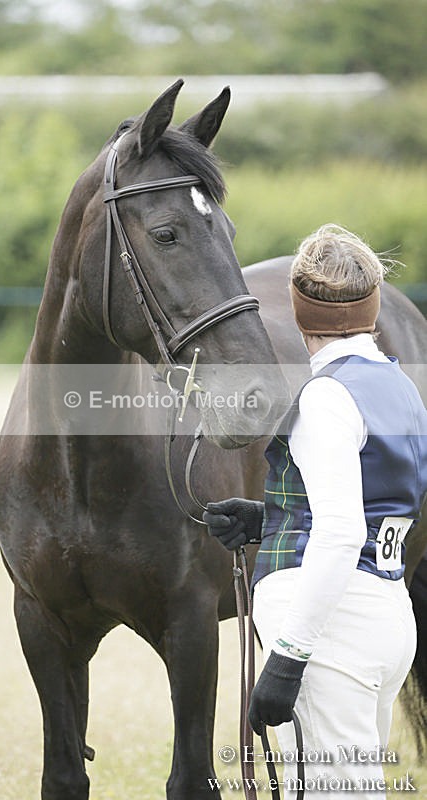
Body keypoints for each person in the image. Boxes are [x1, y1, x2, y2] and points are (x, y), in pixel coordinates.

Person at [205, 224, 427, 799]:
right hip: (385, 612)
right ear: (372, 305)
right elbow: (376, 500)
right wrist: (269, 518)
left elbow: (340, 531)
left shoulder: (326, 395)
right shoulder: (399, 383)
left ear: (299, 309)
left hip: (332, 628)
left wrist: (287, 659)